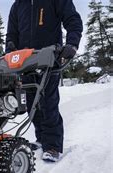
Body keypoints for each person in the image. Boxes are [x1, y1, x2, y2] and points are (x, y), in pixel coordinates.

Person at [6, 0, 83, 162]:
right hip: (25, 61)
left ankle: (53, 145)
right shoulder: (18, 5)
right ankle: (41, 138)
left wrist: (72, 44)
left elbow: (73, 20)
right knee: (31, 104)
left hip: (49, 58)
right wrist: (10, 49)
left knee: (48, 102)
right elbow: (11, 33)